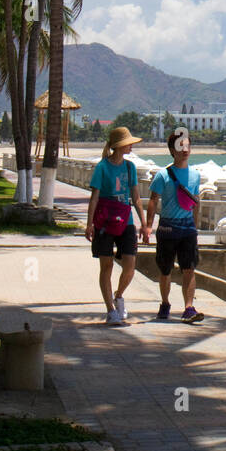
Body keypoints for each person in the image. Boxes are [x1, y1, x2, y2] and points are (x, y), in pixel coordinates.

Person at [86, 125, 149, 326]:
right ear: (119, 145)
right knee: (107, 265)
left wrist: (144, 223)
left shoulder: (130, 167)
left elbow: (136, 197)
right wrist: (89, 224)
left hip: (126, 220)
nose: (131, 146)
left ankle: (119, 295)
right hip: (104, 221)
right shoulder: (102, 167)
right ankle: (110, 310)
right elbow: (94, 197)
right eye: (128, 143)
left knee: (130, 264)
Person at [146, 128, 204, 323]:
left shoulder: (195, 175)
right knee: (165, 269)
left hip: (187, 228)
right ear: (172, 150)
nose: (185, 149)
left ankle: (189, 307)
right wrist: (148, 226)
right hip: (167, 228)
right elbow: (153, 200)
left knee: (189, 267)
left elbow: (195, 201)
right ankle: (165, 302)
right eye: (180, 146)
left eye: (187, 145)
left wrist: (195, 226)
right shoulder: (163, 175)